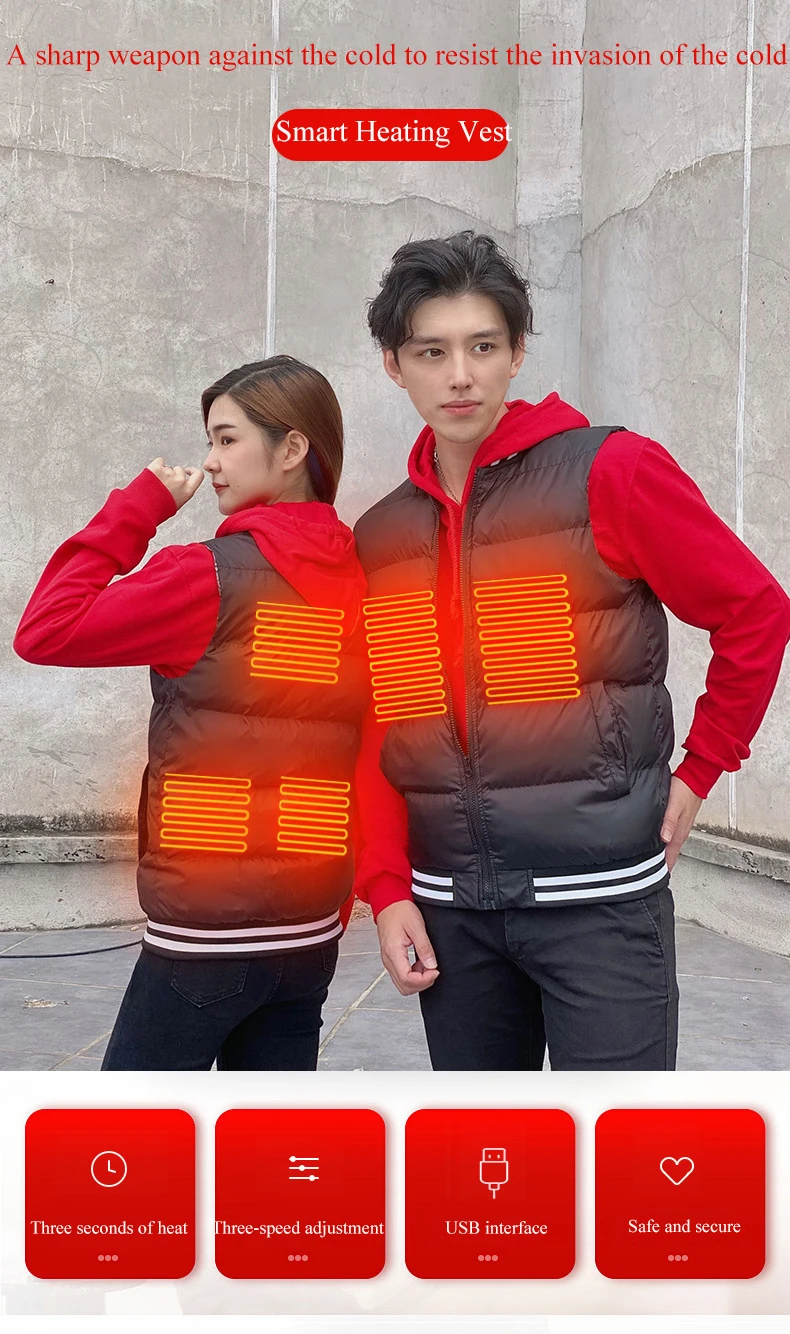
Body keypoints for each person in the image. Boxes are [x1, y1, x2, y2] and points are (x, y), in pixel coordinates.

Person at [352, 231, 790, 1072]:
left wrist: (703, 768)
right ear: (393, 365)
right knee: (489, 1151)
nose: (460, 375)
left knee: (617, 1140)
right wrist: (386, 890)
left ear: (517, 352)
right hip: (453, 914)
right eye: (431, 351)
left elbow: (754, 611)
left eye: (483, 346)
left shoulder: (611, 473)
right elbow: (385, 722)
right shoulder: (382, 536)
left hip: (600, 907)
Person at [14, 355, 368, 1070]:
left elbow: (45, 630)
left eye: (227, 439)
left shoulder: (205, 577)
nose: (210, 462)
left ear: (292, 449)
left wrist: (138, 508)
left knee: (129, 1134)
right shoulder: (361, 577)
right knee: (268, 1139)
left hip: (206, 936)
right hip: (309, 932)